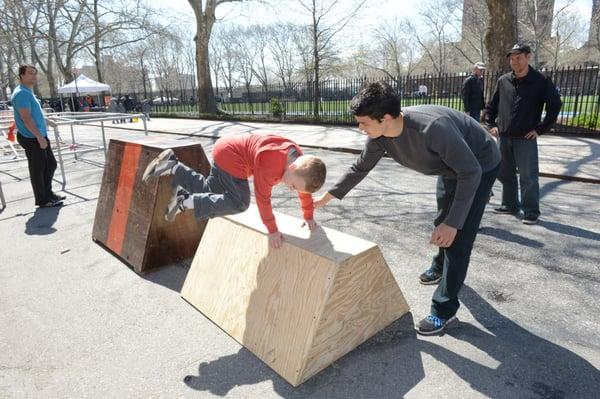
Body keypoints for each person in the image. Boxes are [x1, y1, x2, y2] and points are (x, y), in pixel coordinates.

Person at [314, 81, 500, 335]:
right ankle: (439, 266)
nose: (360, 129)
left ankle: (443, 311)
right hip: (449, 167)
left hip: (479, 165)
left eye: (364, 122)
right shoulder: (379, 137)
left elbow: (470, 171)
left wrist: (454, 223)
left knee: (457, 236)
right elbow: (360, 167)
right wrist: (329, 196)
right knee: (441, 221)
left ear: (386, 118)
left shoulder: (433, 129)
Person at [143, 133, 327, 249]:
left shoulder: (300, 164)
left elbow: (304, 191)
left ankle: (173, 165)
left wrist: (308, 215)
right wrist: (272, 230)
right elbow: (263, 199)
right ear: (292, 167)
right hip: (232, 157)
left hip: (226, 148)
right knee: (240, 202)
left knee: (209, 191)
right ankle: (185, 202)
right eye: (293, 186)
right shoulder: (271, 164)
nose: (291, 189)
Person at [485, 44, 562, 225]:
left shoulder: (541, 80)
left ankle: (531, 211)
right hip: (503, 136)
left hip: (525, 138)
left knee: (528, 176)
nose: (514, 61)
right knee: (504, 172)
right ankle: (510, 204)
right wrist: (491, 124)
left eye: (518, 57)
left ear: (528, 57)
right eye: (512, 58)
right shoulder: (503, 80)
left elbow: (555, 104)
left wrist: (541, 129)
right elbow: (492, 105)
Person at [11, 64, 66, 208]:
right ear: (21, 75)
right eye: (30, 73)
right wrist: (39, 137)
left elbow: (35, 115)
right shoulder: (21, 93)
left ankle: (48, 193)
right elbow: (26, 117)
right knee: (38, 169)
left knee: (50, 165)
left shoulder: (28, 92)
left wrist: (47, 121)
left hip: (38, 135)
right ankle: (42, 199)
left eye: (35, 73)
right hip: (31, 137)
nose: (34, 76)